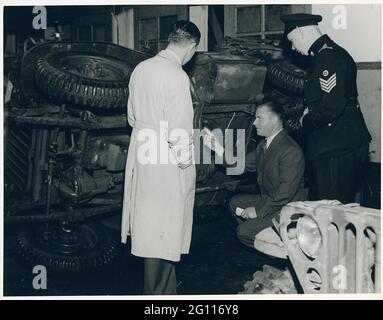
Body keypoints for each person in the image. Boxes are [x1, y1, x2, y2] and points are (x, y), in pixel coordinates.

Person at [121, 20, 201, 295]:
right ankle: (153, 294)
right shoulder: (177, 75)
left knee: (149, 224)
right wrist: (187, 166)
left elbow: (132, 117)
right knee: (166, 227)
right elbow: (179, 130)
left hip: (143, 152)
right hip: (166, 157)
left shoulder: (140, 69)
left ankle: (167, 291)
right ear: (191, 47)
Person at [281, 13, 371, 204]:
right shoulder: (328, 54)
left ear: (301, 32)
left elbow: (332, 107)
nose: (293, 47)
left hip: (336, 144)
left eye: (292, 40)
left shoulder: (327, 58)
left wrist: (305, 120)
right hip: (339, 140)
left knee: (330, 210)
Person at [228, 101, 306, 248]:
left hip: (287, 208)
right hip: (271, 201)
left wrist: (258, 211)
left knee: (244, 232)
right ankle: (263, 234)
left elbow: (285, 193)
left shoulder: (290, 150)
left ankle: (284, 251)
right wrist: (218, 149)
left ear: (275, 119)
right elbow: (241, 164)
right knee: (235, 203)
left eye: (259, 118)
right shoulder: (264, 145)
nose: (254, 123)